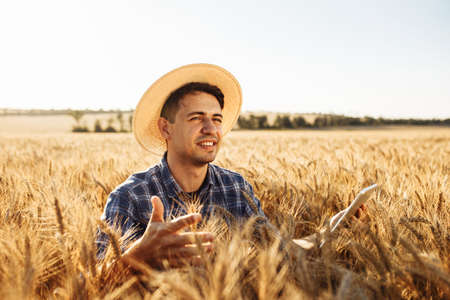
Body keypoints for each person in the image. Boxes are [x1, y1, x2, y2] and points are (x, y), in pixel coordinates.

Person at [96, 63, 365, 270]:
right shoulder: (129, 197)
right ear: (166, 127)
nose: (210, 129)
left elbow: (281, 251)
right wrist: (134, 259)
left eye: (216, 118)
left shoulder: (237, 188)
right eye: (196, 118)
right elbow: (92, 285)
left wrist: (331, 229)